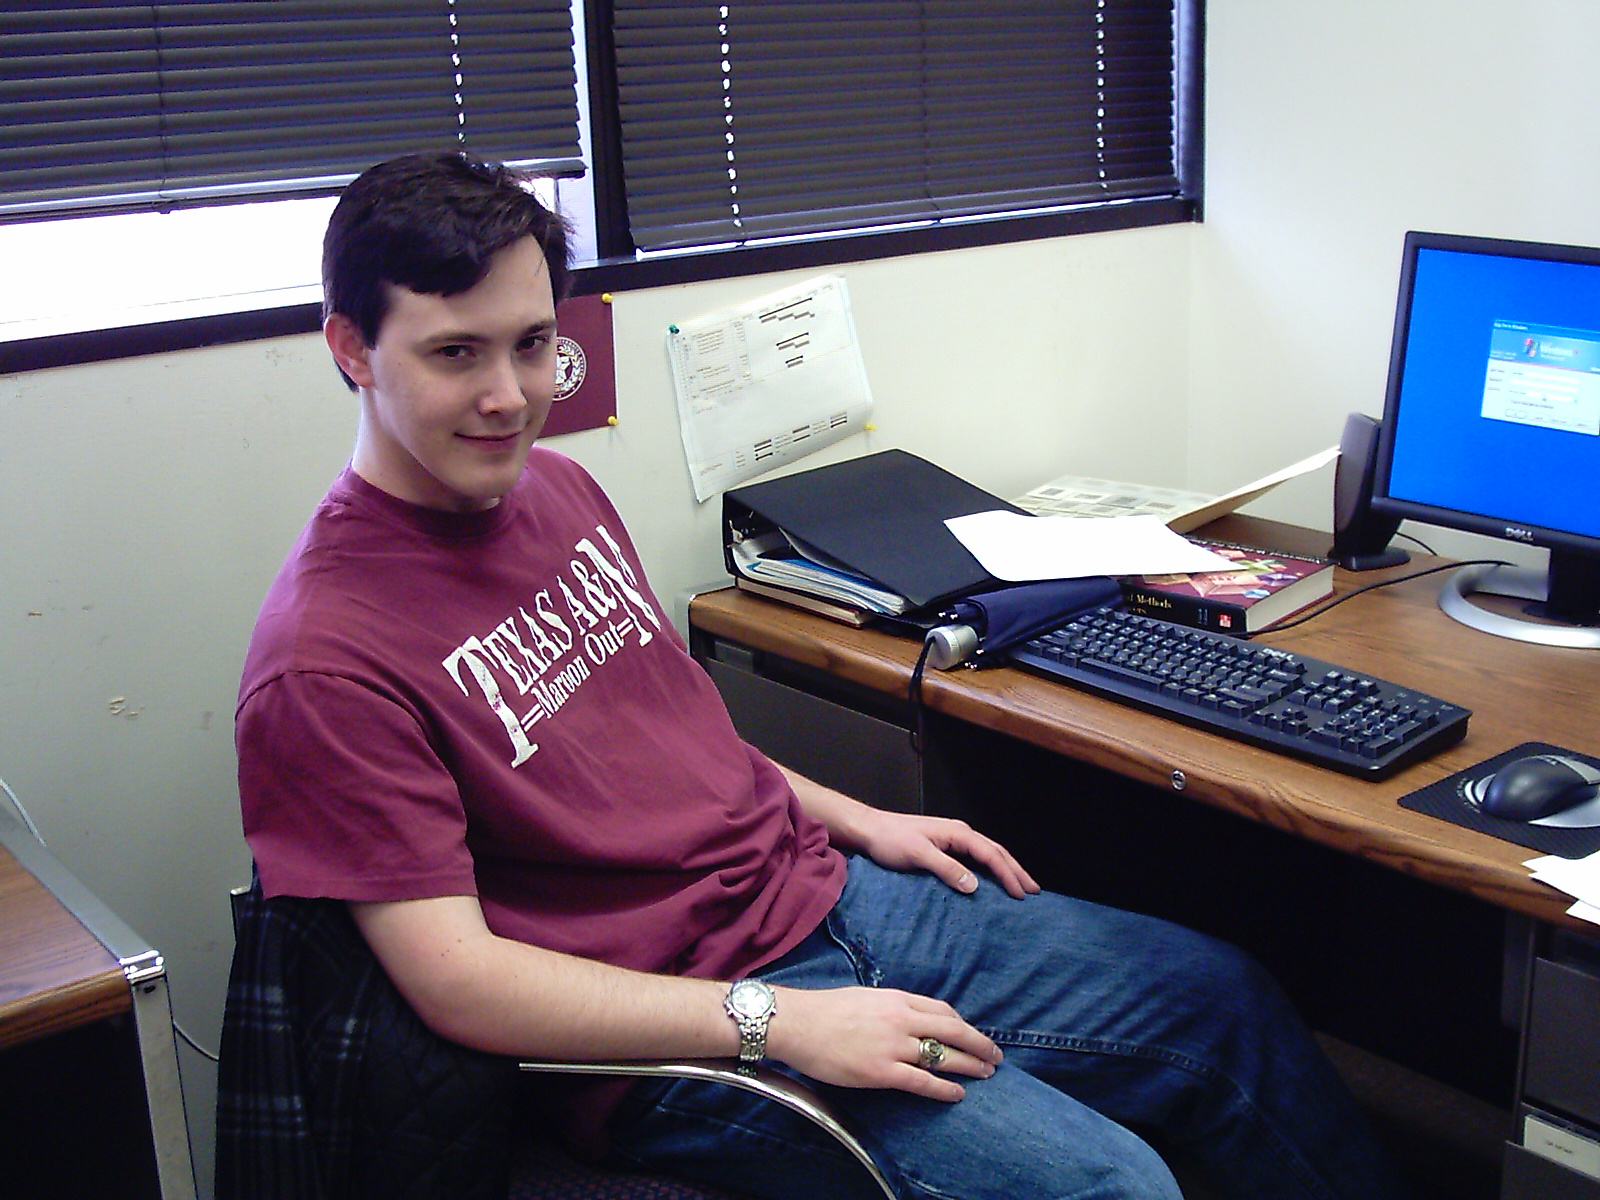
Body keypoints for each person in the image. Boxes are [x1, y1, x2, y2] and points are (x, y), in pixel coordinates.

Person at [235, 150, 1409, 1200]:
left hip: (819, 891)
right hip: (671, 1031)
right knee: (1109, 1184)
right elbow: (457, 983)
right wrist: (780, 1023)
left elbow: (669, 744)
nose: (510, 395)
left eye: (533, 344)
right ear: (351, 349)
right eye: (456, 353)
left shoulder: (553, 489)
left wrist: (859, 818)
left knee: (1224, 1002)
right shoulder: (323, 661)